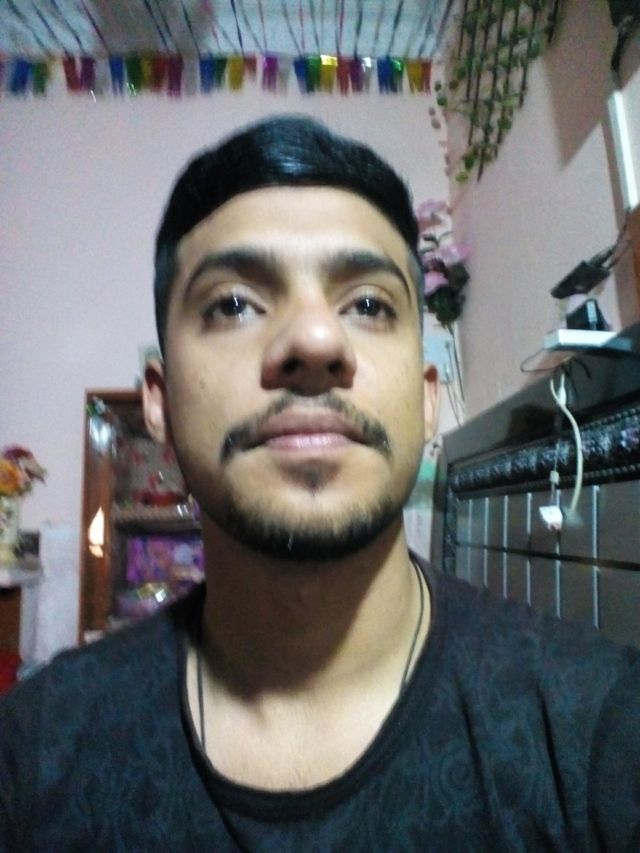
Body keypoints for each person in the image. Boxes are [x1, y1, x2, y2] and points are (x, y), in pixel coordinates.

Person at [1, 115, 638, 852]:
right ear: (160, 403)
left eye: (368, 304)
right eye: (233, 303)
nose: (314, 341)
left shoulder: (602, 732)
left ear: (427, 399)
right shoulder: (34, 756)